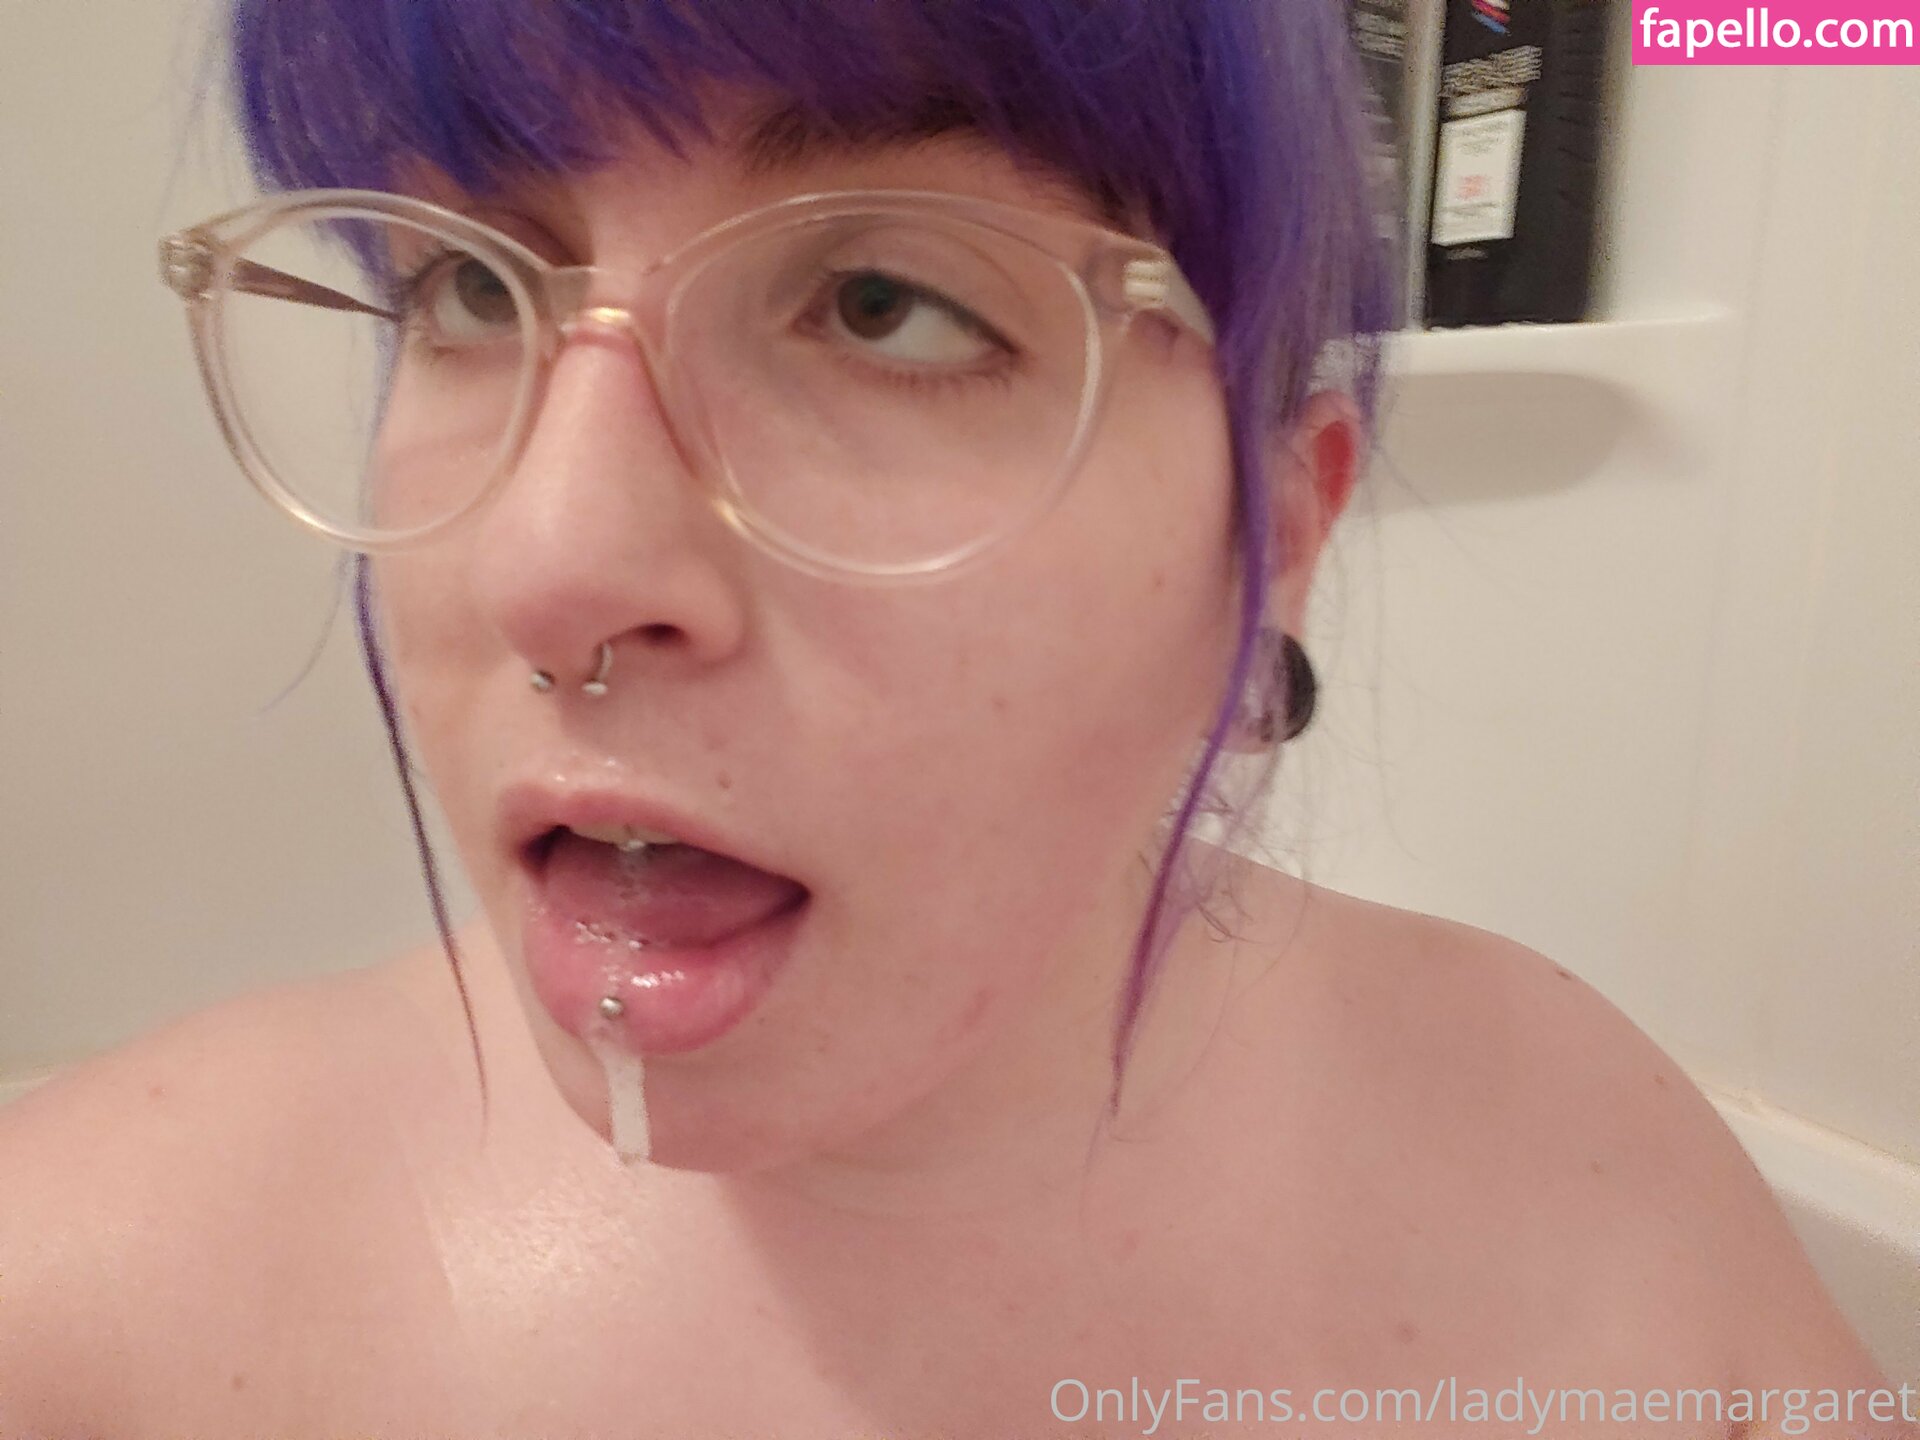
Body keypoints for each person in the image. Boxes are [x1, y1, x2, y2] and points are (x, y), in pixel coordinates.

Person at [0, 1, 1907, 1435]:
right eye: (461, 290)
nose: (546, 558)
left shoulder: (1595, 1201)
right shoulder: (80, 1301)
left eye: (883, 302)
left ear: (1278, 536)